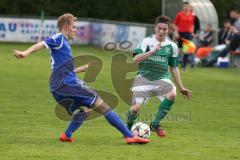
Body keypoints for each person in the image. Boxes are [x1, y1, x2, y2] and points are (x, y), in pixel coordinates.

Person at [12, 13, 149, 144]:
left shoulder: (63, 44)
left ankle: (67, 135)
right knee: (101, 104)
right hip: (66, 84)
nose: (76, 30)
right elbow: (42, 43)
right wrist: (25, 53)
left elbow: (61, 69)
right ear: (66, 27)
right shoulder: (59, 38)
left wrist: (78, 69)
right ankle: (130, 136)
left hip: (57, 88)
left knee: (85, 109)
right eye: (74, 27)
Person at [126, 16, 192, 137]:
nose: (162, 31)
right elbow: (135, 59)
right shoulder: (146, 41)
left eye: (165, 29)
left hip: (162, 78)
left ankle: (155, 124)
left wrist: (181, 87)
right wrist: (152, 51)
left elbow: (173, 67)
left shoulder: (173, 46)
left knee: (172, 93)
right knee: (135, 109)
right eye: (159, 28)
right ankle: (127, 130)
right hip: (143, 78)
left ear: (169, 30)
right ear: (155, 28)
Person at [173, 1, 195, 69]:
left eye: (187, 6)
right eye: (185, 6)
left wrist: (192, 32)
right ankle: (174, 63)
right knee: (179, 50)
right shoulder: (179, 14)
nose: (186, 7)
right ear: (183, 7)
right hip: (180, 33)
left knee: (187, 50)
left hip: (188, 34)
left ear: (189, 7)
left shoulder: (192, 15)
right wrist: (176, 32)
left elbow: (192, 25)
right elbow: (174, 24)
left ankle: (184, 65)